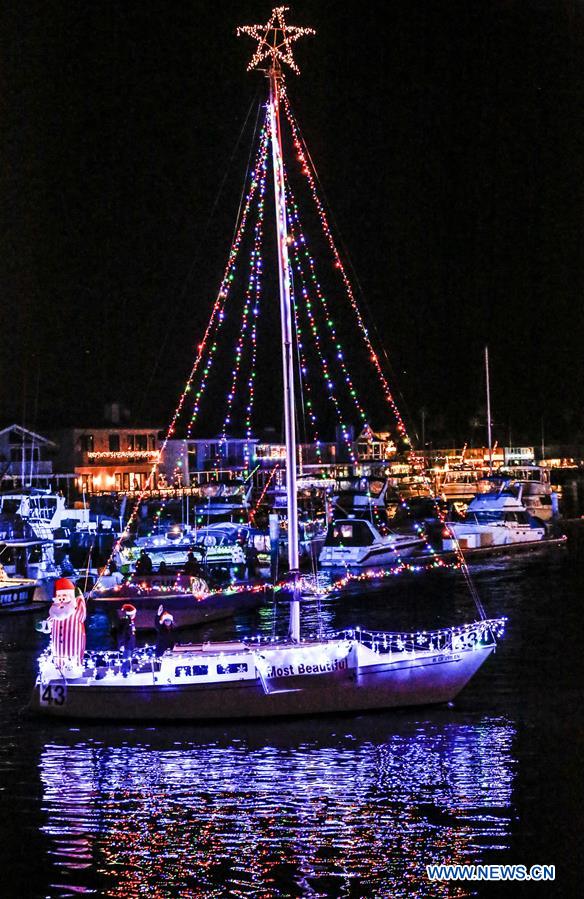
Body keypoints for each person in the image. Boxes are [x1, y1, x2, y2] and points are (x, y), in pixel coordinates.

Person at [43, 578, 87, 672]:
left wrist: (78, 595)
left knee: (73, 659)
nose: (61, 599)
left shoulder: (76, 611)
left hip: (74, 644)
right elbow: (48, 623)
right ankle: (58, 668)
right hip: (57, 647)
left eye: (64, 596)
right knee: (58, 659)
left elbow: (81, 608)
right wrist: (43, 625)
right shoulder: (55, 612)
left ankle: (75, 668)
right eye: (59, 596)